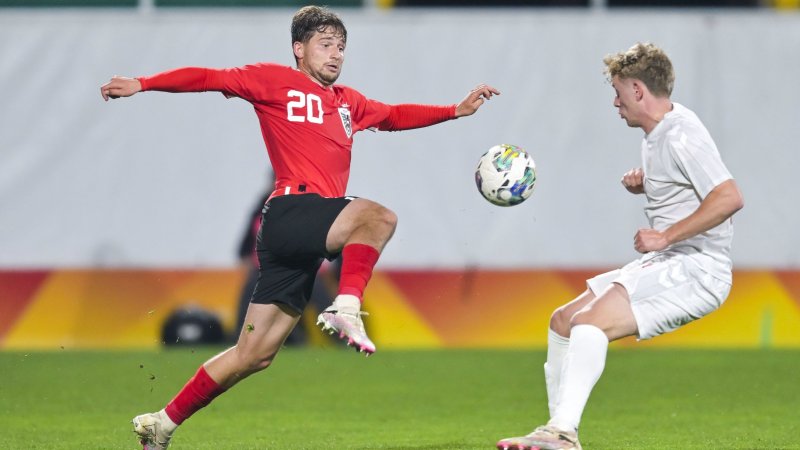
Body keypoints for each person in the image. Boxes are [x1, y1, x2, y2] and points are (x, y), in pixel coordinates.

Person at [100, 5, 499, 449]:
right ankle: (346, 307)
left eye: (342, 47)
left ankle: (162, 423)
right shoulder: (273, 80)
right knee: (379, 216)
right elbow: (208, 77)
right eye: (325, 44)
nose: (336, 54)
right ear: (298, 48)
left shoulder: (348, 102)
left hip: (299, 241)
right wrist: (144, 83)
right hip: (292, 211)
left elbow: (393, 115)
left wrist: (454, 110)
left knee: (253, 355)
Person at [496, 42, 744, 450]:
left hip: (698, 267)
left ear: (638, 90)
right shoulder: (663, 129)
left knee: (590, 322)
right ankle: (557, 429)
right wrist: (651, 184)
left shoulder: (680, 135)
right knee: (563, 321)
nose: (615, 102)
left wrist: (665, 235)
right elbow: (693, 186)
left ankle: (562, 433)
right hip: (673, 259)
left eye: (618, 91)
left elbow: (729, 198)